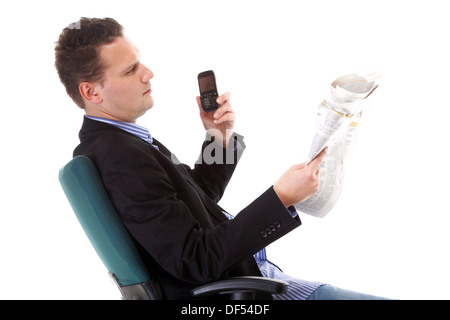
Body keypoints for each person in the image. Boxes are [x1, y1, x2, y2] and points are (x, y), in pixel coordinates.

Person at [55, 17, 388, 300]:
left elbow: (196, 199)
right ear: (91, 92)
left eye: (140, 61)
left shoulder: (119, 141)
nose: (149, 73)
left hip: (251, 282)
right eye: (130, 71)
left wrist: (219, 138)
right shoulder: (119, 156)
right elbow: (194, 260)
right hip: (236, 296)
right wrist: (280, 197)